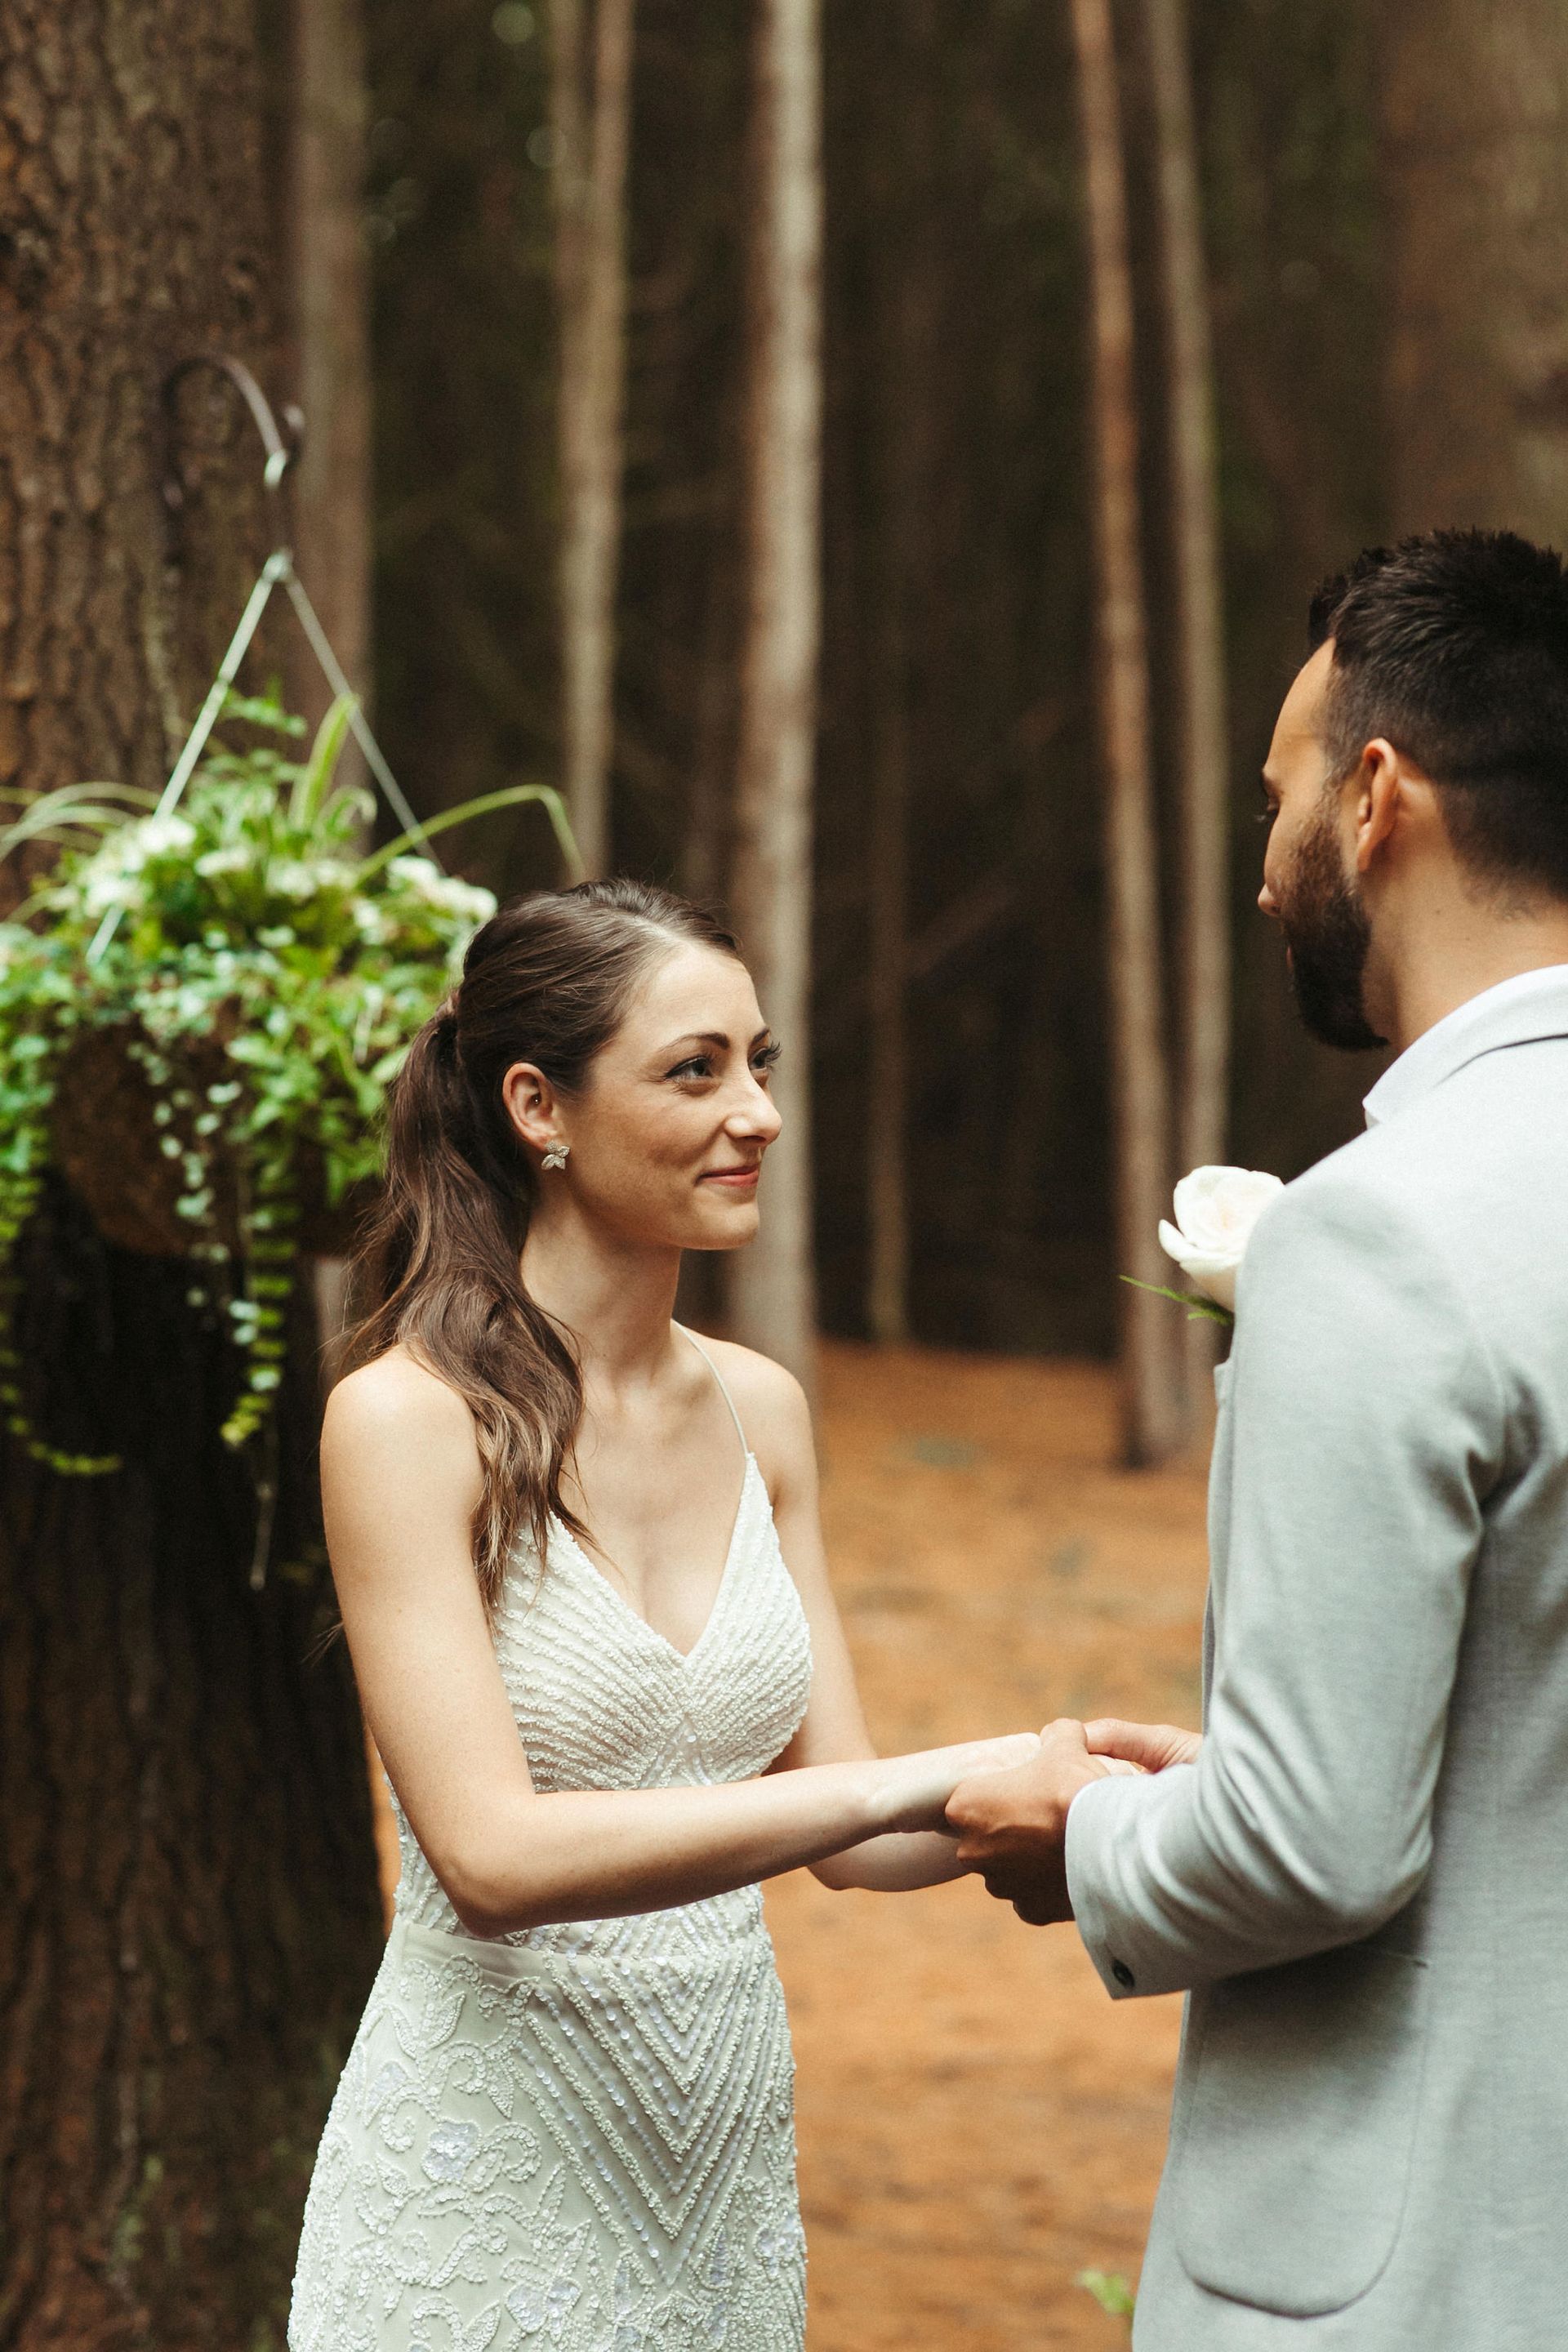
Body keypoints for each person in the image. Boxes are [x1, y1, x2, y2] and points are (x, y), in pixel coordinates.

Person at [948, 528, 1568, 2347]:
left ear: (1379, 796)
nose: (1262, 867)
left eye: (1279, 790)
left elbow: (1311, 1849)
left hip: (1432, 2268)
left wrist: (1092, 1834)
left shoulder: (1381, 1232)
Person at [287, 877, 1035, 2352]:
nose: (753, 1111)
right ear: (537, 1108)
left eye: (759, 1062)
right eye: (694, 1069)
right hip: (477, 2196)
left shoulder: (763, 1412)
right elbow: (491, 1858)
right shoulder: (402, 1424)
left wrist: (1094, 1780)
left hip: (718, 2190)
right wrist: (918, 1779)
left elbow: (862, 1838)